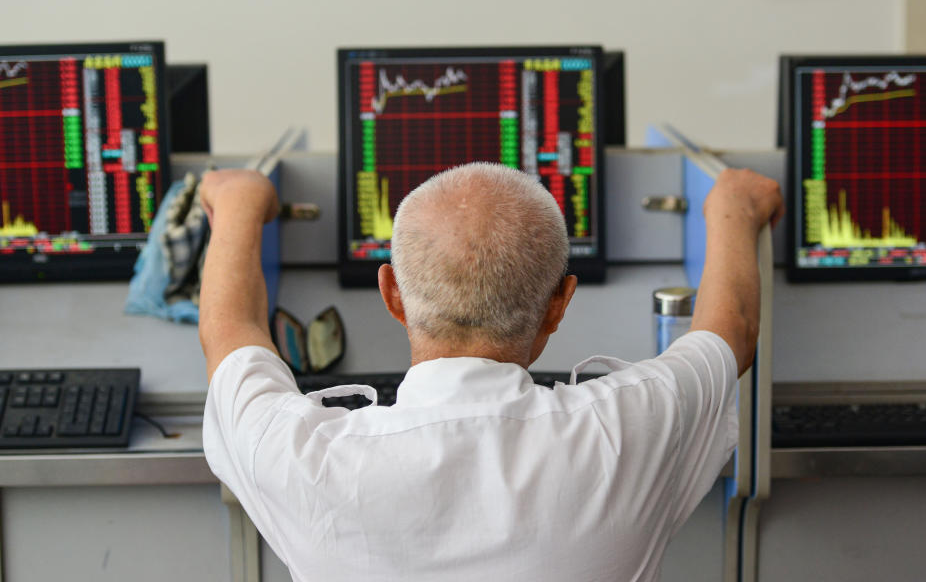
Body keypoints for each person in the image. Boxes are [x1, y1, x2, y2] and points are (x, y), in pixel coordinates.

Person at [200, 162, 783, 582]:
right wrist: (734, 205)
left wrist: (239, 204)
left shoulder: (298, 454)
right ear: (560, 303)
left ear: (391, 295)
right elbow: (731, 330)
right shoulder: (631, 427)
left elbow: (230, 334)